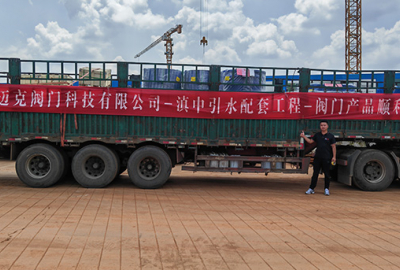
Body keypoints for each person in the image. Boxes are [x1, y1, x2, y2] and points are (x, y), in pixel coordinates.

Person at [300, 121, 336, 196]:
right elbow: (310, 142)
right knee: (315, 173)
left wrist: (334, 156)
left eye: (324, 125)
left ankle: (326, 189)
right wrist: (304, 136)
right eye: (321, 125)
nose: (323, 126)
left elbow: (333, 146)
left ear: (327, 126)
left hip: (327, 157)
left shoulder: (330, 136)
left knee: (326, 174)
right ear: (320, 126)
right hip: (317, 157)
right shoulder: (317, 135)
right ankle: (311, 188)